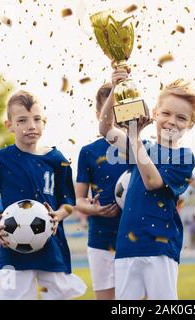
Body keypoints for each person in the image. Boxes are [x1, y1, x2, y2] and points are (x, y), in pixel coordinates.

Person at [99, 67, 195, 299]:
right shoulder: (142, 145)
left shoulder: (185, 157)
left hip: (160, 246)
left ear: (190, 125)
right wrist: (116, 89)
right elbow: (105, 129)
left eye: (181, 118)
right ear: (155, 114)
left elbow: (152, 181)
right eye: (166, 114)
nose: (172, 122)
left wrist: (133, 136)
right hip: (127, 245)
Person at [0, 90, 87, 300]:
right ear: (10, 125)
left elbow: (69, 202)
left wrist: (59, 215)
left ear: (45, 121)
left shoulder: (57, 159)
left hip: (51, 247)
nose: (31, 126)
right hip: (12, 248)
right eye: (22, 120)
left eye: (36, 119)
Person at [75, 83, 128, 300]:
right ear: (100, 114)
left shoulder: (142, 149)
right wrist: (93, 210)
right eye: (109, 111)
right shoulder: (88, 152)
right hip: (100, 240)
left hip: (135, 240)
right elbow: (79, 199)